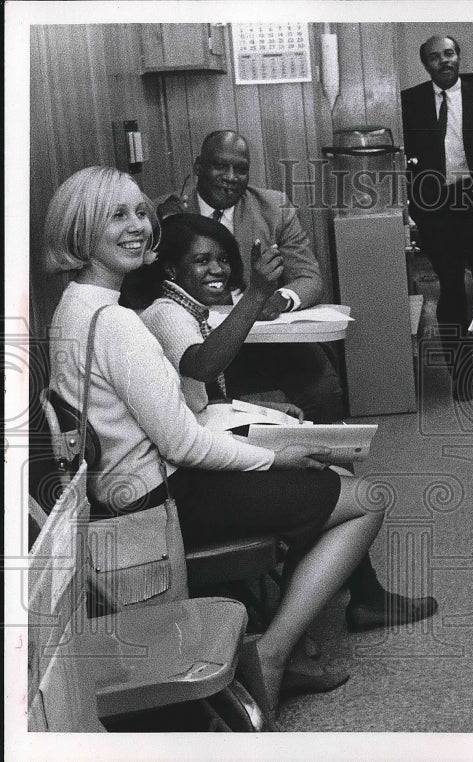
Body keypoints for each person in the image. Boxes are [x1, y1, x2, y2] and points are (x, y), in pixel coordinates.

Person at [43, 166, 388, 714]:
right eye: (117, 216)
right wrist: (274, 457)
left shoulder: (72, 308)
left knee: (322, 482)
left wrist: (269, 448)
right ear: (81, 230)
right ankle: (272, 653)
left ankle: (287, 644)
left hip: (123, 494)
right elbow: (182, 445)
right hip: (163, 499)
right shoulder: (117, 324)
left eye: (141, 213)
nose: (138, 226)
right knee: (364, 497)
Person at [136, 213, 438, 633]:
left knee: (328, 462)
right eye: (202, 261)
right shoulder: (167, 313)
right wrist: (256, 294)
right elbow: (203, 366)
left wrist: (261, 409)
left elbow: (195, 394)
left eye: (223, 259)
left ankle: (353, 594)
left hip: (200, 443)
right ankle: (329, 608)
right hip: (187, 475)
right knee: (334, 476)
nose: (217, 269)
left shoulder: (184, 309)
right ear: (171, 270)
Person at [152, 129, 345, 424]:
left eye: (240, 170)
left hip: (264, 339)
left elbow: (309, 278)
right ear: (198, 167)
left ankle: (319, 454)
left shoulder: (274, 208)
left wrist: (280, 299)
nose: (230, 177)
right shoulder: (164, 213)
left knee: (323, 388)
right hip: (197, 343)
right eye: (220, 166)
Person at [401, 34, 473, 401]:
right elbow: (403, 161)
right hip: (436, 209)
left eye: (449, 53)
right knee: (450, 290)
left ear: (458, 56)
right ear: (426, 64)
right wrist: (418, 204)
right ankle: (461, 373)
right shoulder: (409, 102)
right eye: (435, 57)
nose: (444, 61)